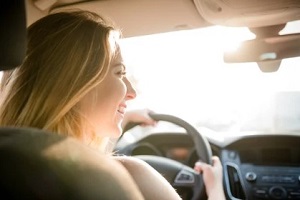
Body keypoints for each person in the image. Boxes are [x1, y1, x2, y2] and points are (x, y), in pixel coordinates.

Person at [0, 10, 225, 200]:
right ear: (76, 84)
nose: (132, 92)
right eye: (120, 73)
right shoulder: (131, 176)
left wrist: (124, 117)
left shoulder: (12, 166)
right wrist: (215, 190)